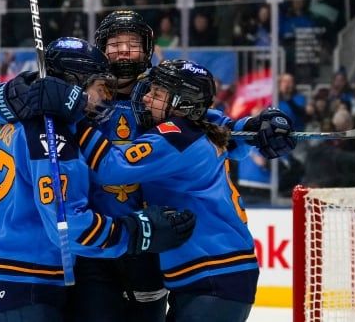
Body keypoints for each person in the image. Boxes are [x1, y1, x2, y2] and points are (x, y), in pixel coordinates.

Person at [0, 10, 294, 322]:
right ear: (101, 48)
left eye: (132, 43)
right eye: (115, 43)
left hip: (150, 243)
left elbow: (213, 131)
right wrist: (19, 92)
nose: (123, 50)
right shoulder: (82, 90)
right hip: (96, 246)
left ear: (147, 49)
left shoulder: (158, 96)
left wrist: (258, 130)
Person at [0, 37, 196, 322]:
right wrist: (139, 231)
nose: (104, 97)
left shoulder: (32, 114)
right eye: (98, 87)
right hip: (27, 273)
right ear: (73, 83)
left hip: (25, 267)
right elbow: (69, 229)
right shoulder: (52, 133)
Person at [75, 59, 259, 322]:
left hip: (215, 275)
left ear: (182, 102)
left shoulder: (176, 135)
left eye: (157, 93)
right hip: (213, 275)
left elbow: (111, 167)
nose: (146, 98)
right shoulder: (195, 131)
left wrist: (74, 117)